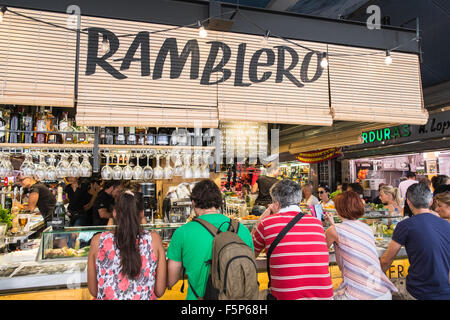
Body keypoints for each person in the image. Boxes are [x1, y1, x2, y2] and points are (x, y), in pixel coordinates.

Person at [166, 179, 254, 300]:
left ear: (193, 203)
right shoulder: (242, 230)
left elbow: (171, 280)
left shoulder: (183, 232)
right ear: (219, 202)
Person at [252, 179, 333, 300]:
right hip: (325, 297)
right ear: (299, 200)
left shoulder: (266, 223)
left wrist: (262, 218)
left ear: (276, 203)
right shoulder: (316, 223)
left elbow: (250, 254)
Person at [87, 190, 166, 300]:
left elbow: (94, 291)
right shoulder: (154, 239)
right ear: (142, 213)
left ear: (114, 213)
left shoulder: (97, 241)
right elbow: (160, 291)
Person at [379, 183, 450, 300]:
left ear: (408, 202)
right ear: (431, 202)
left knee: (388, 289)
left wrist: (376, 281)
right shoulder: (446, 224)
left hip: (418, 292)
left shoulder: (405, 225)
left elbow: (386, 261)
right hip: (446, 292)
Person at [324, 191, 397, 300]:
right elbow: (345, 236)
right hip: (383, 293)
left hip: (359, 295)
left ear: (339, 209)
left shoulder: (334, 230)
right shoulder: (367, 228)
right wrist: (333, 224)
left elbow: (319, 251)